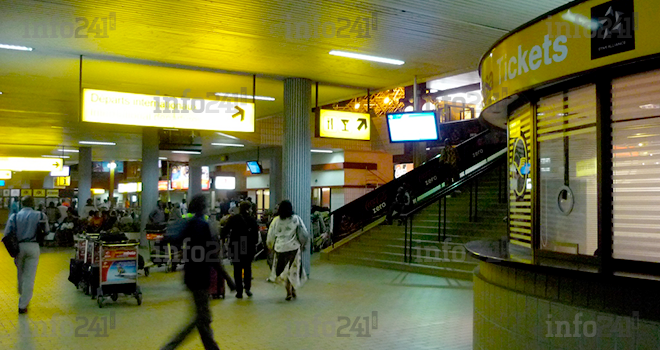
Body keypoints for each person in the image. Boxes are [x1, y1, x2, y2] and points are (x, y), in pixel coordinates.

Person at [160, 194, 222, 350]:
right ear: (202, 207)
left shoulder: (191, 223)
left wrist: (164, 240)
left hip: (191, 274)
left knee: (203, 318)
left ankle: (211, 348)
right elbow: (212, 255)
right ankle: (169, 347)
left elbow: (176, 240)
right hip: (201, 276)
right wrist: (227, 278)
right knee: (201, 317)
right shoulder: (203, 225)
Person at [4, 196, 49, 314]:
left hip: (19, 247)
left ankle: (22, 293)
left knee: (21, 273)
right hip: (33, 247)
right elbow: (47, 231)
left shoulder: (14, 217)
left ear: (22, 204)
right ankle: (23, 305)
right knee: (29, 276)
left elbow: (7, 233)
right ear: (33, 203)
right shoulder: (40, 216)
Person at [266, 200, 309, 300]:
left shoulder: (276, 220)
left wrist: (270, 246)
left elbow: (270, 235)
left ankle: (288, 292)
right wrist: (303, 244)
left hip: (280, 248)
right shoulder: (296, 219)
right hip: (294, 248)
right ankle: (293, 289)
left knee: (284, 271)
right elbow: (305, 233)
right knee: (292, 270)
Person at [222, 201, 259, 298]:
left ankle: (239, 291)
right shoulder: (252, 220)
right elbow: (255, 235)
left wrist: (224, 239)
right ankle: (247, 288)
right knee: (247, 267)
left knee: (237, 268)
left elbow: (225, 231)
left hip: (236, 245)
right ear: (249, 209)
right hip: (247, 245)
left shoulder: (234, 218)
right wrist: (254, 244)